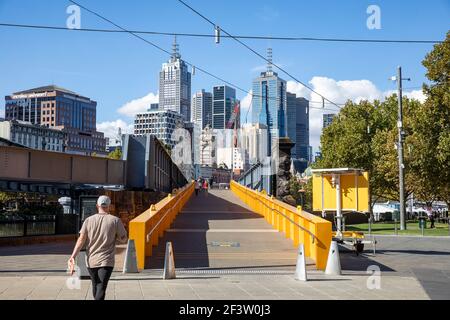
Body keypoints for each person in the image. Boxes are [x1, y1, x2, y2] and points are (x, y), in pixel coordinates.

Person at [68, 195, 128, 300]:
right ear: (110, 206)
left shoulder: (88, 220)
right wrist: (118, 237)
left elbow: (81, 239)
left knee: (95, 284)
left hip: (91, 260)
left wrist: (73, 256)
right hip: (106, 260)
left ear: (97, 205)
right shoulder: (115, 220)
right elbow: (124, 239)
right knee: (101, 287)